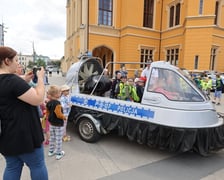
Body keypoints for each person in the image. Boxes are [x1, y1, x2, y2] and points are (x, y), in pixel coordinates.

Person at [0, 46, 48, 180]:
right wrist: (40, 79)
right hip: (25, 136)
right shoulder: (12, 81)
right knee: (37, 165)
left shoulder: (10, 81)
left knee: (12, 167)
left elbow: (9, 90)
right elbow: (38, 98)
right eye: (16, 60)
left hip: (6, 136)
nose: (18, 62)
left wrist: (24, 80)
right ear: (6, 61)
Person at [46, 85, 66, 160]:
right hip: (58, 124)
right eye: (59, 92)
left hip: (52, 123)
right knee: (58, 139)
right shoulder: (58, 103)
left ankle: (51, 151)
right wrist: (64, 117)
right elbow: (58, 114)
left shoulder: (49, 103)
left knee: (52, 137)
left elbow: (47, 112)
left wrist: (49, 118)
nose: (60, 93)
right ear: (56, 95)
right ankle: (58, 153)